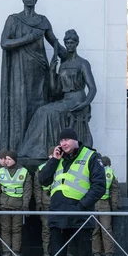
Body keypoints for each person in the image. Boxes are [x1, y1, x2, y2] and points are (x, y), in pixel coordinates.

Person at [38, 128, 105, 256]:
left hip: (80, 217)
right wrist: (54, 159)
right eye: (61, 140)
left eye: (67, 139)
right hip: (57, 217)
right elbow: (42, 180)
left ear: (76, 140)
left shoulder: (91, 156)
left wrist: (82, 206)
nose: (64, 143)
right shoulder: (57, 158)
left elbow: (100, 185)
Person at [0, 0, 66, 153]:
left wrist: (72, 59)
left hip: (39, 72)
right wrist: (29, 37)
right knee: (21, 109)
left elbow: (55, 43)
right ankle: (18, 151)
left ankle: (38, 149)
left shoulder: (42, 21)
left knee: (39, 108)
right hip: (19, 72)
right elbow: (4, 43)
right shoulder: (13, 19)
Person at [18, 29, 97, 159]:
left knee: (48, 113)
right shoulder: (63, 65)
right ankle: (33, 150)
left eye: (72, 42)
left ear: (77, 43)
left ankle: (38, 150)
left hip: (76, 100)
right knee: (41, 111)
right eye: (67, 43)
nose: (69, 45)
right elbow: (56, 91)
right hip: (65, 100)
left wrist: (84, 104)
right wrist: (51, 71)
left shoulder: (83, 63)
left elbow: (93, 88)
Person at [0, 150, 32, 256]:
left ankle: (15, 251)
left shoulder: (24, 172)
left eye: (9, 159)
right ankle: (6, 251)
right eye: (6, 159)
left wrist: (25, 205)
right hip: (4, 205)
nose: (7, 161)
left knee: (16, 229)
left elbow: (27, 190)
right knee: (5, 229)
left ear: (14, 160)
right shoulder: (0, 172)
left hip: (18, 205)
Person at [92, 156, 121, 256]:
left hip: (93, 203)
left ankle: (96, 253)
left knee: (94, 230)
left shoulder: (91, 170)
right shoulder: (110, 172)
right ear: (109, 164)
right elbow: (115, 190)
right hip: (105, 204)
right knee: (106, 229)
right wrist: (114, 205)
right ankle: (108, 253)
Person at [34, 146, 55, 256]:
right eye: (51, 155)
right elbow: (37, 187)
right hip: (46, 202)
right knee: (46, 228)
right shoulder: (41, 168)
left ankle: (61, 250)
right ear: (48, 156)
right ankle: (46, 251)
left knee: (61, 228)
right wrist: (38, 202)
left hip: (59, 202)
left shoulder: (62, 167)